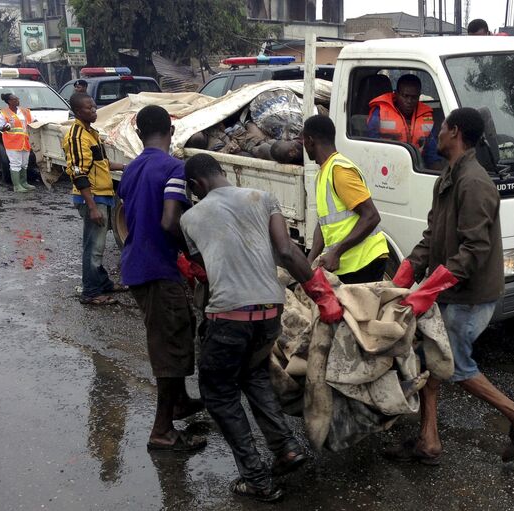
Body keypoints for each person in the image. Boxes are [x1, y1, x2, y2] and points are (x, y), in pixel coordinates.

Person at [386, 107, 514, 465]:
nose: (436, 134)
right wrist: (407, 270)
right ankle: (428, 442)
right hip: (451, 292)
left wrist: (428, 289)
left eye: (442, 128)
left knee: (454, 365)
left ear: (455, 132)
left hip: (470, 297)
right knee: (432, 360)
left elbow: (475, 249)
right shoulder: (447, 178)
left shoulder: (474, 182)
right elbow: (432, 236)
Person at [180, 153, 343, 502]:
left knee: (219, 393)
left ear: (196, 186)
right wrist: (321, 294)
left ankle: (256, 476)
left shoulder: (190, 218)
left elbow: (205, 271)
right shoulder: (262, 197)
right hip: (270, 313)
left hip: (229, 318)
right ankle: (285, 447)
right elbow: (286, 251)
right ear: (222, 173)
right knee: (252, 375)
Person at [118, 105, 206, 452]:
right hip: (158, 267)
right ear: (172, 129)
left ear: (139, 134)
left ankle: (181, 402)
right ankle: (162, 430)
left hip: (136, 264)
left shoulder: (131, 169)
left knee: (177, 327)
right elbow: (171, 221)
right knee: (168, 344)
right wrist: (194, 256)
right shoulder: (173, 168)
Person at [304, 115, 390, 284]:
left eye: (304, 142)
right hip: (350, 264)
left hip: (365, 261)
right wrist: (309, 262)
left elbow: (371, 216)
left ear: (310, 141)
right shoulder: (323, 173)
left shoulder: (339, 171)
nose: (304, 147)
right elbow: (323, 223)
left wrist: (336, 252)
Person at [63, 92, 127, 305]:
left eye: (94, 107)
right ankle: (91, 292)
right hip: (93, 198)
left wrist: (127, 167)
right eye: (89, 108)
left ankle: (103, 283)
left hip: (103, 194)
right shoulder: (77, 137)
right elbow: (78, 173)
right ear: (78, 111)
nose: (94, 111)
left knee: (96, 244)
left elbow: (102, 164)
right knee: (94, 247)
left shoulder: (91, 133)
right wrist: (92, 207)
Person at [367, 74, 442, 168]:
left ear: (419, 96)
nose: (409, 101)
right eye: (405, 96)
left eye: (414, 97)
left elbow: (432, 154)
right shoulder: (379, 113)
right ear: (396, 94)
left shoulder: (427, 117)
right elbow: (371, 148)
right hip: (386, 166)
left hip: (417, 167)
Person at [0, 93, 35, 193]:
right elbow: (0, 127)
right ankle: (17, 185)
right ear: (9, 101)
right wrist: (5, 127)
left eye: (17, 98)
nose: (17, 100)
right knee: (15, 163)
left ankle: (24, 183)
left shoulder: (25, 111)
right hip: (12, 142)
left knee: (24, 163)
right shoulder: (4, 113)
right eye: (15, 99)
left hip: (25, 141)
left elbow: (33, 121)